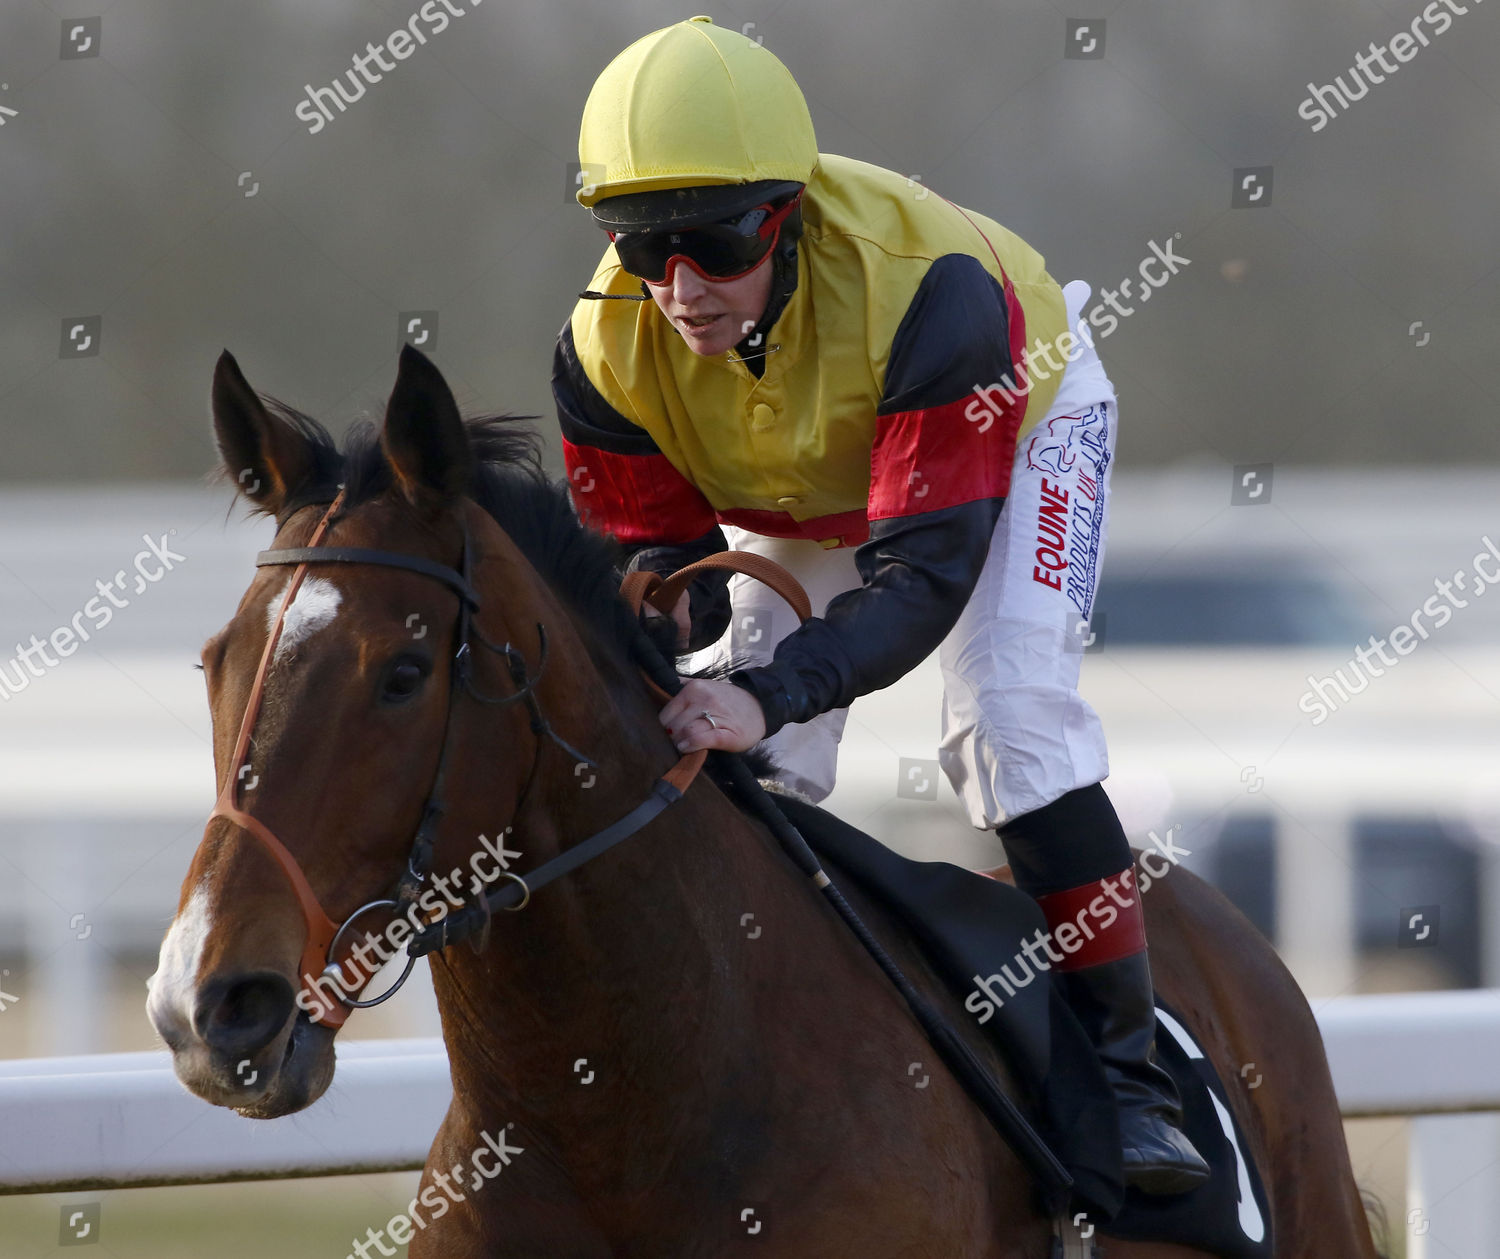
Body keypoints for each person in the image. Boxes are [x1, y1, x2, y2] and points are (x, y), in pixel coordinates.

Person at [552, 16, 1208, 1195]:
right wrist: (693, 674)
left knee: (1008, 722)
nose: (684, 288)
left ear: (786, 211)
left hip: (1012, 423)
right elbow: (664, 599)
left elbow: (921, 583)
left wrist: (767, 690)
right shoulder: (603, 350)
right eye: (645, 249)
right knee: (750, 759)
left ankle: (1127, 1082)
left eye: (712, 238)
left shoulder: (934, 298)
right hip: (810, 479)